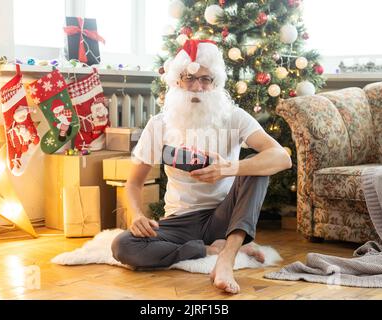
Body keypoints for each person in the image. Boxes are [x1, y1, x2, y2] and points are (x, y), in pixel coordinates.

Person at [112, 39, 292, 294]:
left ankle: (227, 258)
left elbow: (282, 157)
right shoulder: (159, 124)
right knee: (123, 246)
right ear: (177, 81)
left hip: (224, 215)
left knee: (257, 168)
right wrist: (137, 216)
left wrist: (229, 168)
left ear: (215, 83)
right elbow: (134, 183)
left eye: (205, 79)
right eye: (189, 78)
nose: (197, 87)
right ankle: (209, 249)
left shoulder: (235, 116)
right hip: (179, 221)